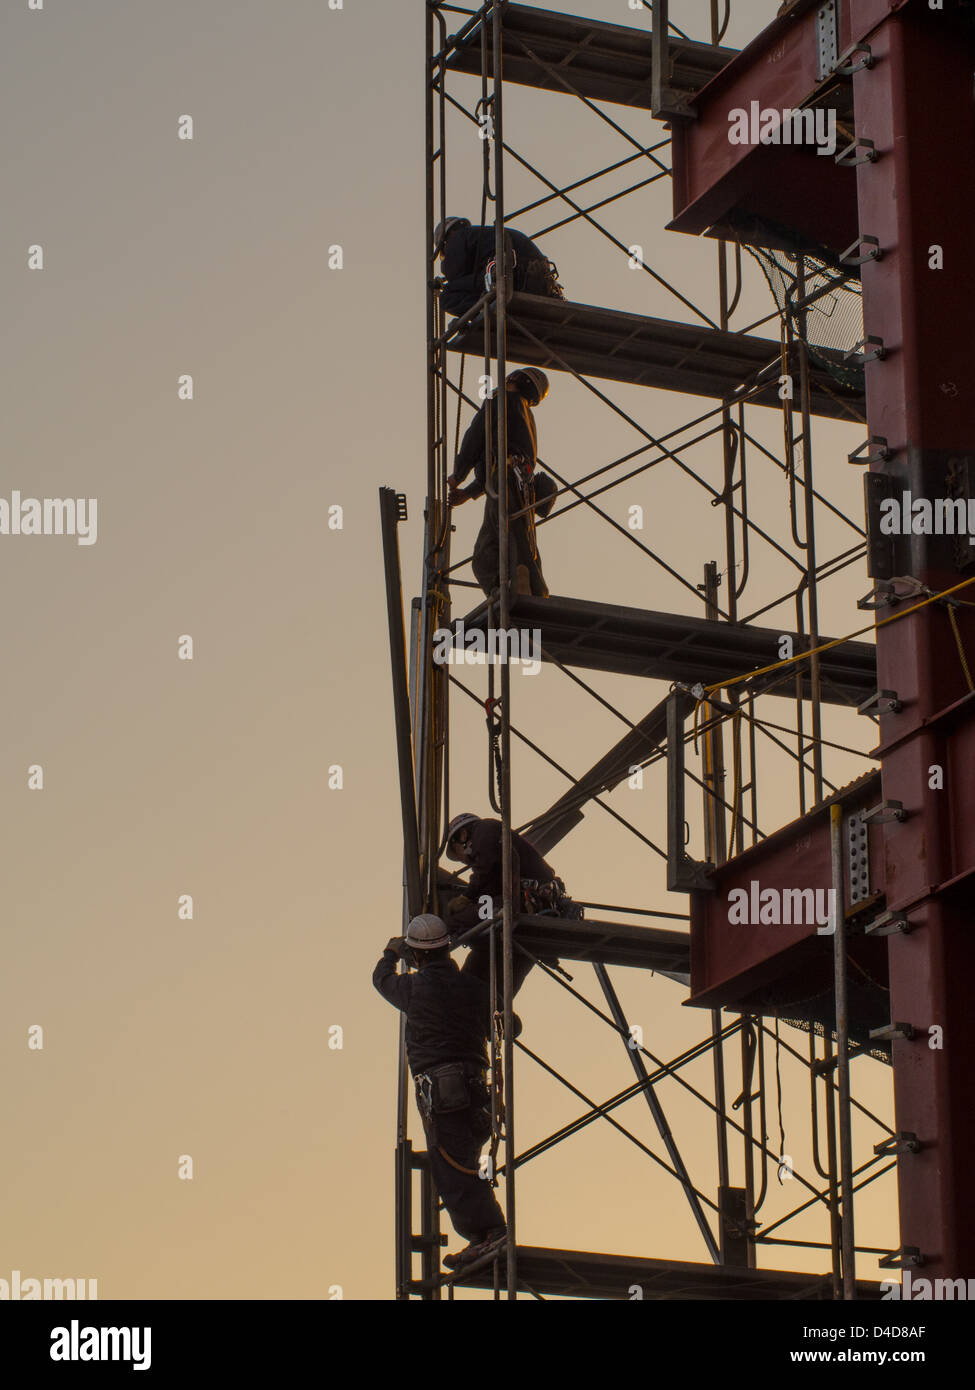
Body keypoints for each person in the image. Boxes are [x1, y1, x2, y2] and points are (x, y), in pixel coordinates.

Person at [373, 914, 507, 1270]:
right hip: (477, 1090)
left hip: (445, 1093)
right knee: (464, 1162)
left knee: (454, 1169)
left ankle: (491, 1232)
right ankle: (483, 1236)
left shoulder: (415, 989)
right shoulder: (473, 987)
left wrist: (390, 952)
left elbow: (381, 979)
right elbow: (509, 1022)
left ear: (416, 956)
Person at [449, 367, 551, 599]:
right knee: (517, 538)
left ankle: (517, 587)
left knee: (491, 553)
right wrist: (470, 492)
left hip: (504, 479)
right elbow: (499, 452)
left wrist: (458, 474)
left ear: (514, 379)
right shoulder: (527, 417)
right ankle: (526, 585)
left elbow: (476, 436)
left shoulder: (501, 399)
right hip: (520, 481)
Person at [435, 216, 565, 318]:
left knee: (447, 296)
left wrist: (445, 278)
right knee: (483, 281)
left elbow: (455, 272)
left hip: (513, 275)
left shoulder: (458, 237)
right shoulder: (483, 237)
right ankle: (483, 305)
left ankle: (482, 308)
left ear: (448, 236)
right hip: (540, 281)